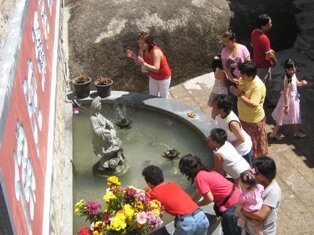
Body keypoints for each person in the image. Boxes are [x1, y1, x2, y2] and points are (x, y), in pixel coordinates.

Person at [179, 154, 242, 235]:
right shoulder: (207, 172)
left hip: (232, 205)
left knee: (234, 231)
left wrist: (197, 205)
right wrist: (191, 201)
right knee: (227, 229)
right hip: (237, 196)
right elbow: (200, 191)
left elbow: (209, 198)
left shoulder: (199, 177)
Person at [142, 165, 209, 235]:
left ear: (148, 183)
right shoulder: (173, 184)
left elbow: (152, 213)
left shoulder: (153, 194)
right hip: (201, 216)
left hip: (186, 223)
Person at [230, 61, 268, 159]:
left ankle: (258, 162)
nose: (240, 75)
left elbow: (253, 104)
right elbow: (243, 88)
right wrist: (238, 85)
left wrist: (238, 94)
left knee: (256, 144)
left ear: (250, 75)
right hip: (244, 117)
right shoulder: (244, 79)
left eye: (243, 74)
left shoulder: (257, 86)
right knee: (248, 141)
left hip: (254, 120)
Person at [242, 156, 281, 235]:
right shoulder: (256, 182)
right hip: (249, 228)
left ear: (263, 175)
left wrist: (242, 210)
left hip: (263, 231)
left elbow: (260, 215)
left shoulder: (274, 191)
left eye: (255, 172)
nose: (252, 174)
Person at [211, 94, 253, 166]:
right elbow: (213, 119)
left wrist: (227, 147)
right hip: (234, 147)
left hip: (243, 151)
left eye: (214, 106)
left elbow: (241, 139)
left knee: (248, 172)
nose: (212, 107)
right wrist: (214, 113)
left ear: (221, 109)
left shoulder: (232, 123)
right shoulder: (220, 113)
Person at [126, 32, 172, 98]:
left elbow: (156, 69)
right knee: (152, 96)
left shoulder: (156, 52)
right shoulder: (142, 50)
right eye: (139, 43)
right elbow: (139, 62)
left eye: (142, 43)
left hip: (163, 77)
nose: (140, 45)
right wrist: (134, 58)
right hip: (153, 77)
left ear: (148, 43)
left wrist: (144, 63)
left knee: (163, 98)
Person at [270, 59, 307, 139]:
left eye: (293, 69)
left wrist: (302, 83)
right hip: (289, 100)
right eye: (289, 69)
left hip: (293, 98)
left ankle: (296, 132)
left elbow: (297, 84)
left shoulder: (293, 75)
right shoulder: (288, 80)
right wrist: (286, 106)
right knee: (283, 118)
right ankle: (273, 134)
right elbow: (286, 93)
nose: (291, 71)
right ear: (285, 69)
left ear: (295, 67)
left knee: (293, 117)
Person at [221, 30, 251, 113]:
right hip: (232, 80)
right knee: (232, 100)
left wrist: (242, 79)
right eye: (224, 41)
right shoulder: (224, 51)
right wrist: (231, 79)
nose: (225, 44)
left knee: (244, 98)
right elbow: (225, 67)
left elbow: (248, 65)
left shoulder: (243, 48)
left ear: (233, 40)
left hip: (244, 79)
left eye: (227, 41)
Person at [251, 14, 277, 105]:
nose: (271, 25)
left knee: (259, 83)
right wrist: (274, 61)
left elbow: (253, 45)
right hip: (263, 66)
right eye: (269, 24)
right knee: (264, 85)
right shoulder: (264, 38)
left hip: (256, 63)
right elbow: (269, 54)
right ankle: (265, 101)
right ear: (263, 26)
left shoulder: (254, 32)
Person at [235, 170, 264, 235]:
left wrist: (236, 212)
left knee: (243, 216)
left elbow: (240, 204)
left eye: (241, 182)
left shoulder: (244, 195)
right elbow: (262, 193)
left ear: (245, 184)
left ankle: (241, 222)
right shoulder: (260, 187)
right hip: (259, 208)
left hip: (250, 210)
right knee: (258, 226)